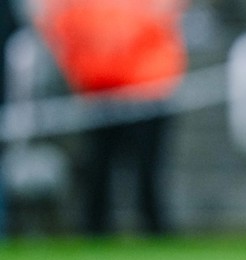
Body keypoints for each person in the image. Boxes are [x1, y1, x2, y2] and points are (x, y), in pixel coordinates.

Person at [31, 0, 187, 235]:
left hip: (147, 92)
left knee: (147, 173)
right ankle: (96, 230)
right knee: (98, 172)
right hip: (99, 93)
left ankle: (154, 231)